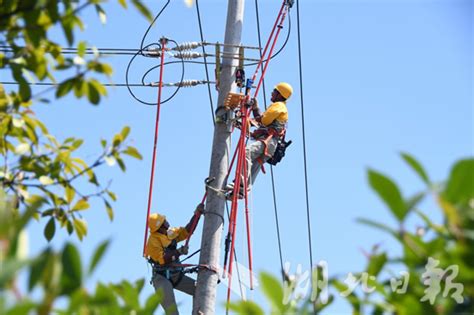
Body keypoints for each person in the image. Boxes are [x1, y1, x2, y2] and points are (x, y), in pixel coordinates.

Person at [145, 203, 204, 315]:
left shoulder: (169, 232)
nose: (167, 222)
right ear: (160, 228)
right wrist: (179, 252)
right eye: (164, 222)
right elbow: (163, 259)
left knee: (199, 290)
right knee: (172, 312)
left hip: (175, 275)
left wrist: (197, 214)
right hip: (161, 278)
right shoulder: (153, 242)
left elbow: (187, 231)